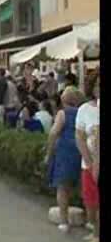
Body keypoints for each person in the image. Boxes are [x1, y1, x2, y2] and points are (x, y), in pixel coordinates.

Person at [45, 87, 82, 233]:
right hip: (81, 151)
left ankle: (64, 221)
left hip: (65, 151)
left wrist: (49, 153)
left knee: (62, 187)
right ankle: (92, 221)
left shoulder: (62, 114)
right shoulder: (82, 112)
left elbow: (53, 133)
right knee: (82, 187)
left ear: (63, 99)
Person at [75, 73, 100, 242]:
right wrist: (91, 163)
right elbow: (80, 137)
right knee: (91, 205)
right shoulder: (84, 109)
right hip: (89, 165)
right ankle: (95, 233)